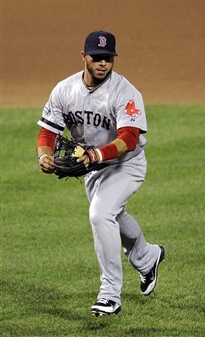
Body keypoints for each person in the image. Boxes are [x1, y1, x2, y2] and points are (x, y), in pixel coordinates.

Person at [36, 30, 165, 316]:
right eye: (97, 57)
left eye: (108, 58)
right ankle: (147, 258)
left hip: (126, 164)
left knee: (100, 213)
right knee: (112, 215)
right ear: (84, 56)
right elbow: (47, 132)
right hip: (92, 168)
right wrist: (44, 156)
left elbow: (129, 137)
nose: (103, 64)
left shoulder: (125, 91)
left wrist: (97, 154)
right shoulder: (64, 90)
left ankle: (110, 295)